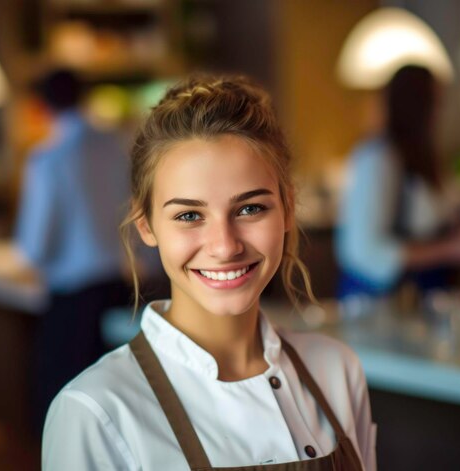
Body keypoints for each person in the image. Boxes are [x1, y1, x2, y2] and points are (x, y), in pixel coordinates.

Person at [42, 74, 376, 470]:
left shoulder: (336, 370)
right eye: (188, 215)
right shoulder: (94, 411)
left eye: (250, 208)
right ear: (146, 225)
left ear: (288, 207)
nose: (224, 245)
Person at [15, 69, 131, 431]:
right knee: (116, 399)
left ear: (42, 106)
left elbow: (34, 245)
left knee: (70, 406)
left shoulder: (48, 160)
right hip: (119, 287)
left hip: (72, 298)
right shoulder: (117, 147)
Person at [336, 65, 460, 309]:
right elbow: (365, 250)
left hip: (424, 300)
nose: (439, 114)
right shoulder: (377, 159)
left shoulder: (419, 158)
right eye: (435, 104)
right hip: (383, 306)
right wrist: (451, 248)